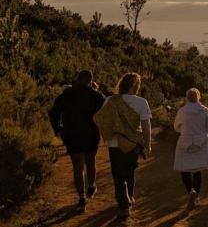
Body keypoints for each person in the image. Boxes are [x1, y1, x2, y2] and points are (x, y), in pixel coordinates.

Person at [94, 72, 152, 220]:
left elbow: (100, 119)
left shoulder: (110, 100)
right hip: (133, 143)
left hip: (114, 143)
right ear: (135, 86)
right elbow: (146, 125)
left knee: (118, 174)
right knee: (130, 171)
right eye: (138, 84)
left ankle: (124, 204)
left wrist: (111, 132)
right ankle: (129, 197)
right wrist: (147, 143)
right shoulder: (141, 102)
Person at [48, 70, 106, 211]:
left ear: (77, 78)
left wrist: (58, 129)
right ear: (90, 80)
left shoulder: (67, 94)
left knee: (77, 167)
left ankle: (81, 197)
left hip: (72, 135)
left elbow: (54, 112)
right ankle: (92, 184)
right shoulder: (97, 96)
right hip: (91, 134)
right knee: (90, 162)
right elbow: (105, 113)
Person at [173, 88, 208, 210]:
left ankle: (190, 191)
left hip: (185, 142)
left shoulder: (182, 111)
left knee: (184, 169)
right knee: (198, 170)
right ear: (198, 97)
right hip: (201, 142)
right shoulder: (205, 111)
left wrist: (184, 131)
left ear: (187, 98)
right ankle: (196, 197)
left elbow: (176, 127)